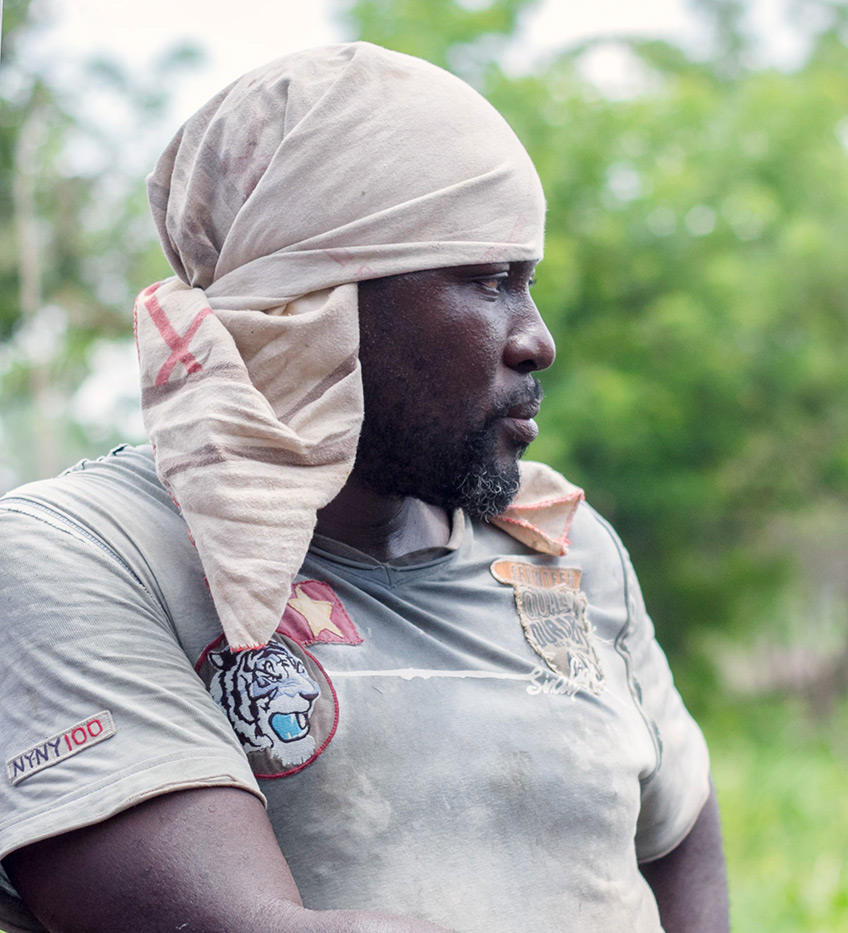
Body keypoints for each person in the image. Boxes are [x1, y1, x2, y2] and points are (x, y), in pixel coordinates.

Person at [0, 42, 727, 933]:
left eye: (527, 283)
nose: (536, 339)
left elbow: (680, 838)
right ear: (314, 305)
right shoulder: (92, 558)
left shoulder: (564, 549)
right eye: (489, 281)